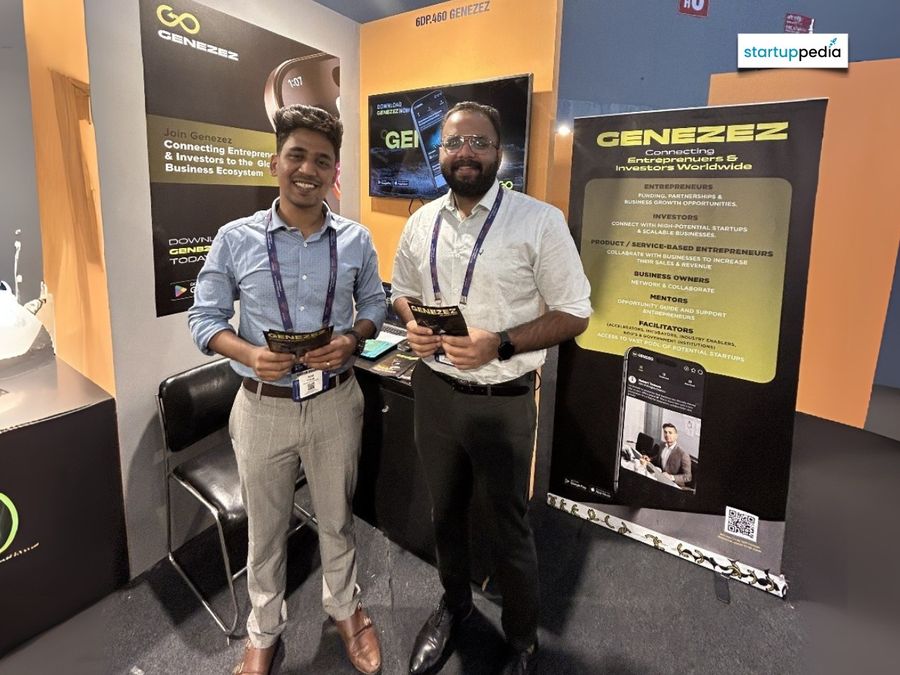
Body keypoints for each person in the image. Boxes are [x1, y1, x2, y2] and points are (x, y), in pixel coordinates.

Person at [391, 101, 592, 675]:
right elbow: (402, 291)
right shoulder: (420, 222)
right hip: (434, 393)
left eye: (478, 142)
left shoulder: (539, 221)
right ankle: (454, 607)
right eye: (454, 143)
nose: (466, 153)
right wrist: (411, 323)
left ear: (499, 153)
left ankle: (523, 639)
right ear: (440, 154)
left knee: (508, 528)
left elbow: (575, 314)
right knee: (444, 513)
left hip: (502, 402)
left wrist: (499, 343)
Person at [188, 104, 385, 675]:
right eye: (297, 155)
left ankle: (345, 609)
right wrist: (248, 354)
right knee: (266, 532)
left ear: (334, 172)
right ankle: (264, 631)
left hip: (336, 402)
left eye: (322, 160)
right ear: (275, 162)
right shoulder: (235, 239)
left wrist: (352, 339)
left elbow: (374, 305)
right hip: (262, 408)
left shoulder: (356, 240)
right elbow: (204, 319)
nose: (308, 169)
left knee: (337, 519)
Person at [643, 423, 692, 487]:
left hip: (673, 484)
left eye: (670, 433)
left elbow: (688, 477)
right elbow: (659, 457)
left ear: (676, 436)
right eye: (665, 432)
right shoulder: (662, 445)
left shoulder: (683, 453)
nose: (667, 435)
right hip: (660, 478)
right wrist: (650, 459)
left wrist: (671, 477)